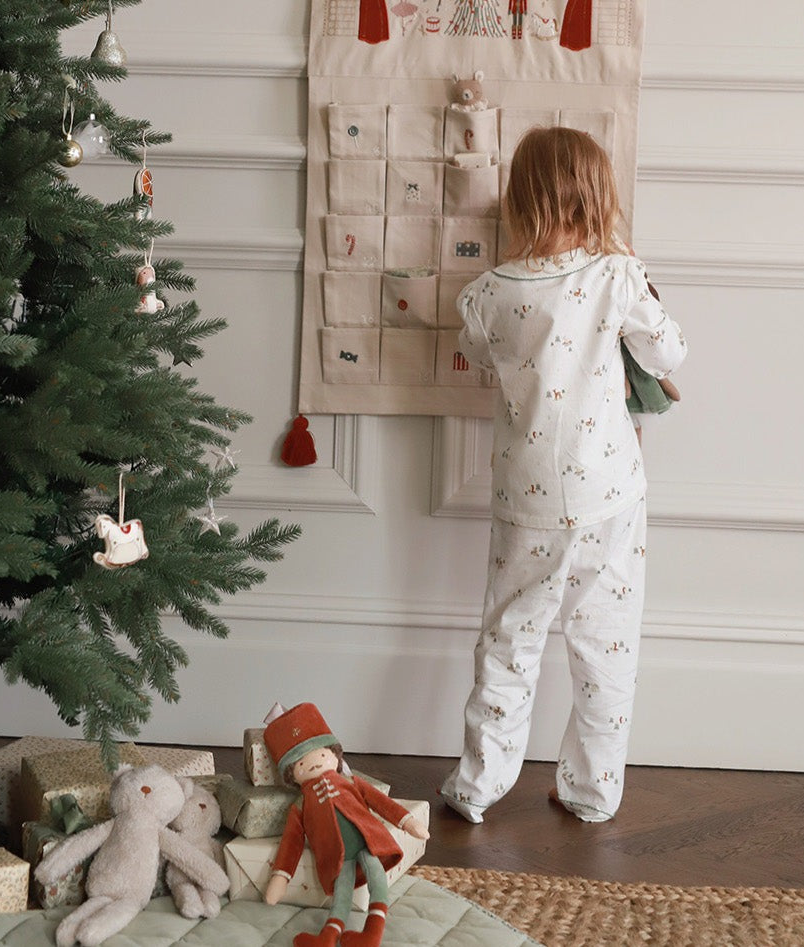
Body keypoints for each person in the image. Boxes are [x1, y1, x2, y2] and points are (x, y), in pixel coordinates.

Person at [440, 126, 687, 824]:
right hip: (608, 494)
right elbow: (668, 351)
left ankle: (478, 785)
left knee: (508, 640)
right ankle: (590, 790)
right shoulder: (614, 276)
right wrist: (639, 281)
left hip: (525, 500)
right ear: (596, 196)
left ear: (518, 201)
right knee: (605, 640)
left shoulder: (486, 292)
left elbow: (479, 355)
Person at [263, 702, 430, 947]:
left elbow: (379, 801)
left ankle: (372, 932)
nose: (314, 763)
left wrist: (408, 821)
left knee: (377, 878)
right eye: (300, 764)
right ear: (292, 774)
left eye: (321, 754)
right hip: (337, 857)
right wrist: (281, 876)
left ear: (333, 755)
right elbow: (292, 841)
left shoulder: (351, 781)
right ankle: (328, 937)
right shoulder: (300, 804)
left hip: (367, 841)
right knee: (342, 896)